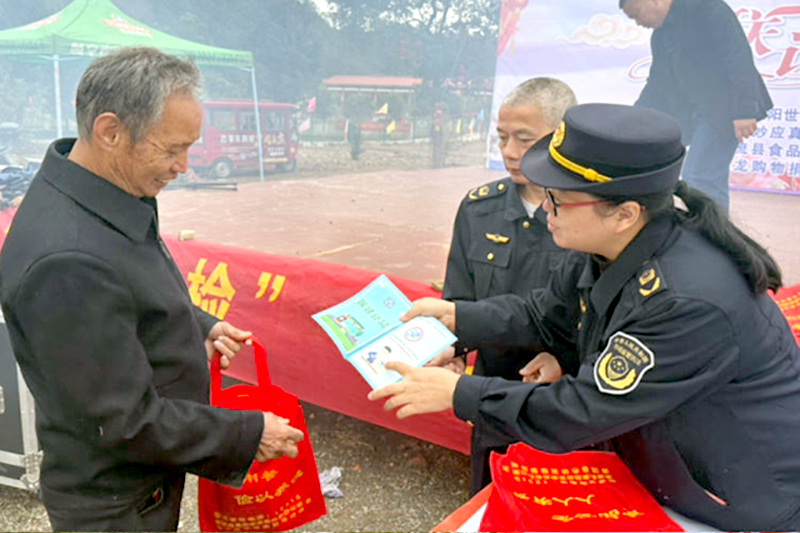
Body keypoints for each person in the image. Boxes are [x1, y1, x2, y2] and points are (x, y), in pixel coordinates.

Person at [369, 103, 800, 530]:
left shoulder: (686, 301)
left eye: (558, 200)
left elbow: (582, 409)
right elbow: (546, 313)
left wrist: (461, 393)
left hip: (738, 502)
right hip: (670, 471)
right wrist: (458, 317)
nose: (545, 209)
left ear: (624, 213)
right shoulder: (608, 245)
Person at [0, 48, 304, 532]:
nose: (184, 166)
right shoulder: (66, 262)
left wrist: (195, 325)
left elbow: (125, 289)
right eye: (172, 149)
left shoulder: (96, 194)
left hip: (140, 485)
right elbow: (122, 422)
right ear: (110, 132)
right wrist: (247, 434)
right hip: (114, 507)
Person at [434, 77, 576, 494]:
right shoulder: (480, 208)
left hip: (566, 398)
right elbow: (459, 298)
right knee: (490, 495)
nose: (510, 152)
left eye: (524, 139)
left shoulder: (587, 213)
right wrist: (454, 351)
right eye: (502, 138)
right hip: (490, 393)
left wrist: (568, 361)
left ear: (560, 137)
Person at [620, 0, 772, 213]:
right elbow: (658, 82)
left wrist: (745, 110)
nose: (638, 22)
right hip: (693, 113)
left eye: (636, 14)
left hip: (726, 110)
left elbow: (738, 57)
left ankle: (713, 232)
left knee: (701, 174)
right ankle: (699, 226)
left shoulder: (708, 9)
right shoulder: (661, 35)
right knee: (682, 172)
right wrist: (635, 116)